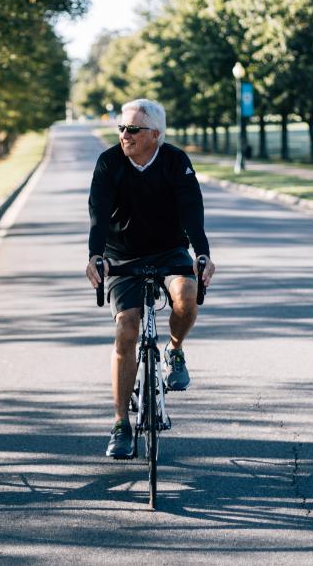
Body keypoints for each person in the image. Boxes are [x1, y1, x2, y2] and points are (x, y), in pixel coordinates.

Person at [85, 99, 215, 459]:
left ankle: (174, 350)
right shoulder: (109, 162)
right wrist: (95, 255)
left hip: (169, 249)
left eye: (133, 130)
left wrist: (202, 253)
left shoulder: (175, 161)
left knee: (186, 295)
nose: (124, 135)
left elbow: (192, 211)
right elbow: (97, 214)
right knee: (127, 328)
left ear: (155, 135)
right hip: (121, 255)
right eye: (121, 128)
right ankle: (120, 424)